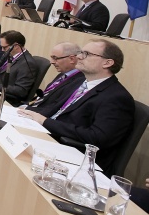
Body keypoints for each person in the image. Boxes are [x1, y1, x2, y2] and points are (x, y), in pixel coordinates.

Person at [18, 40, 135, 176]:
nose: (79, 57)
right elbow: (54, 108)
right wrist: (27, 112)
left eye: (86, 54)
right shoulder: (80, 81)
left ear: (107, 63)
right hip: (50, 137)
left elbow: (97, 138)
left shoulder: (117, 97)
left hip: (72, 154)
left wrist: (45, 122)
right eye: (81, 53)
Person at [21, 42, 85, 117]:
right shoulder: (62, 75)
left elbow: (55, 107)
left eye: (55, 58)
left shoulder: (79, 81)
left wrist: (27, 109)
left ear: (72, 59)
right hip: (32, 110)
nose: (51, 62)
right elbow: (44, 98)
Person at [0, 30, 39, 106]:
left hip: (7, 99)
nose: (2, 50)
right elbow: (0, 73)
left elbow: (21, 91)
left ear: (16, 46)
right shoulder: (12, 56)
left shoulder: (27, 63)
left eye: (4, 47)